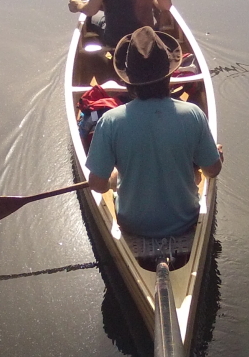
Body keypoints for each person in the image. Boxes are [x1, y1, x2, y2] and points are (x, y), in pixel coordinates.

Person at [85, 27, 223, 251]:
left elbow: (97, 185)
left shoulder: (110, 121)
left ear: (128, 80)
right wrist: (215, 156)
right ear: (169, 74)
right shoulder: (193, 114)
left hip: (133, 224)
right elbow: (212, 171)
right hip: (185, 220)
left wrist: (114, 175)